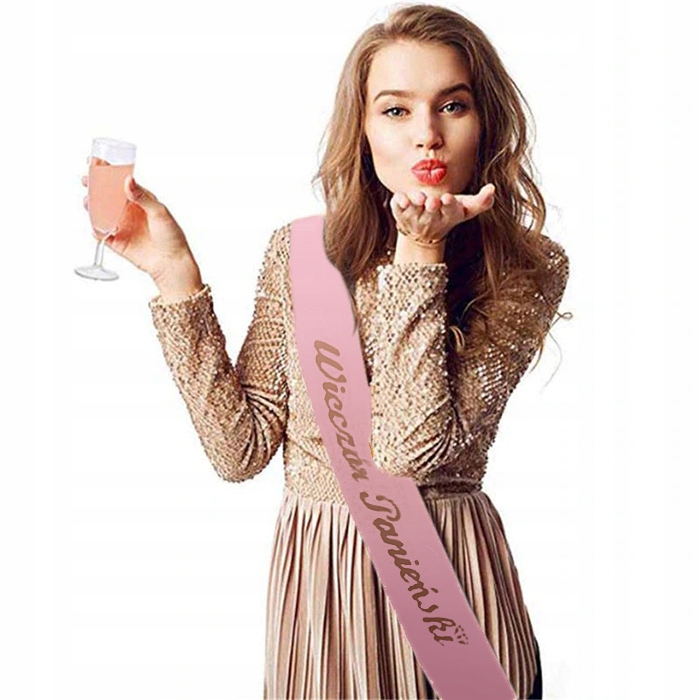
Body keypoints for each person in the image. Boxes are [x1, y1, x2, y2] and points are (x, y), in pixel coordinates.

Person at [81, 4, 570, 698]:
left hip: (452, 598)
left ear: (484, 121)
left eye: (452, 106)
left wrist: (420, 252)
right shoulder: (303, 253)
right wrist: (175, 277)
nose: (426, 134)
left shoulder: (524, 267)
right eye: (395, 110)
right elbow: (239, 451)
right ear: (362, 129)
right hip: (325, 599)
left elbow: (410, 451)